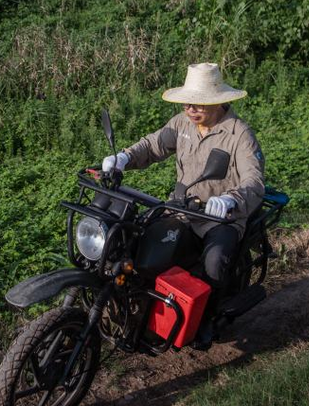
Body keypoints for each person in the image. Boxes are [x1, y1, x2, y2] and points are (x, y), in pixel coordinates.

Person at [102, 62, 265, 348]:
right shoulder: (182, 125)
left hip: (221, 217)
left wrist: (229, 199)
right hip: (182, 208)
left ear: (218, 101)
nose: (190, 108)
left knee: (214, 262)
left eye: (197, 102)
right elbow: (153, 145)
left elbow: (254, 182)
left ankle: (206, 321)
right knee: (140, 242)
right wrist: (124, 158)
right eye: (187, 102)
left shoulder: (240, 134)